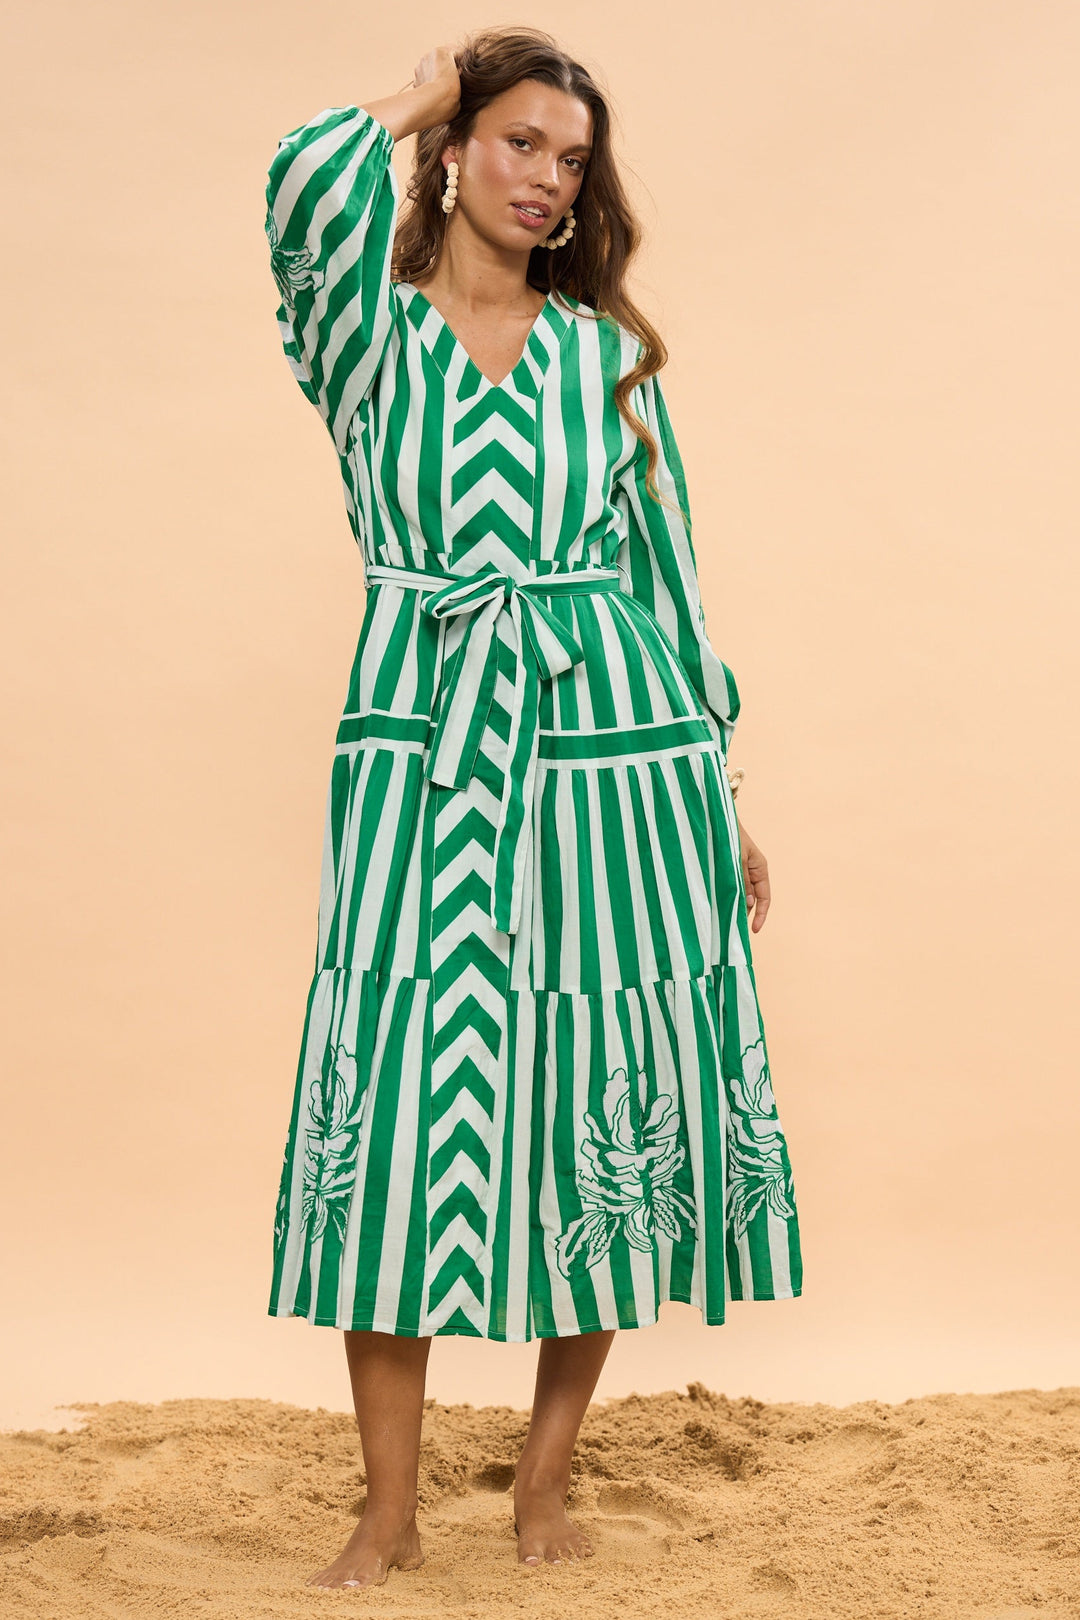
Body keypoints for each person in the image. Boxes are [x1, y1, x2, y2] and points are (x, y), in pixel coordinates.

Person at [262, 24, 803, 1590]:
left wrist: (723, 796)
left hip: (613, 758)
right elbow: (304, 181)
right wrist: (439, 81)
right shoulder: (366, 332)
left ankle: (543, 1487)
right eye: (520, 143)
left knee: (595, 1091)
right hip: (422, 748)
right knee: (398, 1085)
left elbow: (666, 583)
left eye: (572, 160)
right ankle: (388, 1510)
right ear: (456, 152)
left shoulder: (605, 363)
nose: (550, 180)